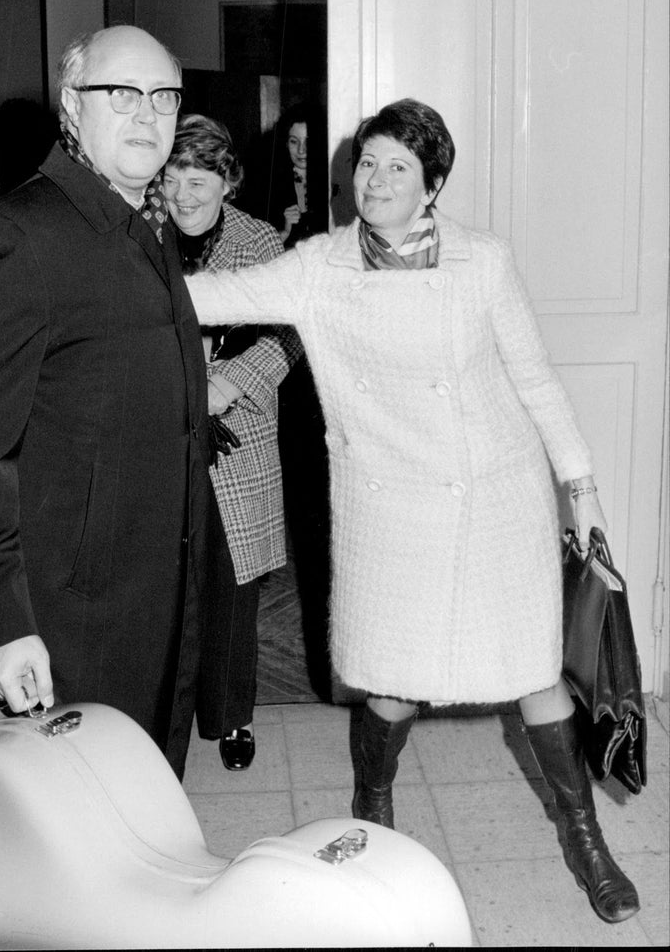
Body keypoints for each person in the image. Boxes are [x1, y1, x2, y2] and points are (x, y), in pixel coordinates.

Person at [184, 97, 640, 923]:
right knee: (392, 684)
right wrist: (102, 276)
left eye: (400, 166)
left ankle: (585, 838)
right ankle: (375, 802)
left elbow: (535, 379)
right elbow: (208, 296)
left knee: (535, 675)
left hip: (494, 496)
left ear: (433, 186)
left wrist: (581, 488)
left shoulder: (484, 262)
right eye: (367, 162)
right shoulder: (319, 265)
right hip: (390, 506)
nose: (378, 179)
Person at [0, 24, 223, 780]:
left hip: (152, 593)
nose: (147, 115)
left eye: (163, 96)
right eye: (121, 94)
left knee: (143, 807)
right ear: (70, 106)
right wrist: (0, 626)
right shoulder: (17, 239)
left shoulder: (139, 226)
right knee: (78, 836)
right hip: (68, 618)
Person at [162, 114, 301, 769]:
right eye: (173, 176)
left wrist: (229, 384)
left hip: (233, 443)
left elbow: (287, 333)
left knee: (229, 589)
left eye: (201, 178)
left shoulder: (258, 242)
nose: (185, 193)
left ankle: (230, 716)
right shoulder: (138, 235)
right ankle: (156, 719)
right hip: (156, 437)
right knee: (159, 590)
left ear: (228, 182)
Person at [262, 103, 330, 248]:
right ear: (286, 143)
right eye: (294, 141)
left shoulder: (332, 180)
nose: (301, 150)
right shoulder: (270, 184)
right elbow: (260, 254)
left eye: (308, 142)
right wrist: (285, 231)